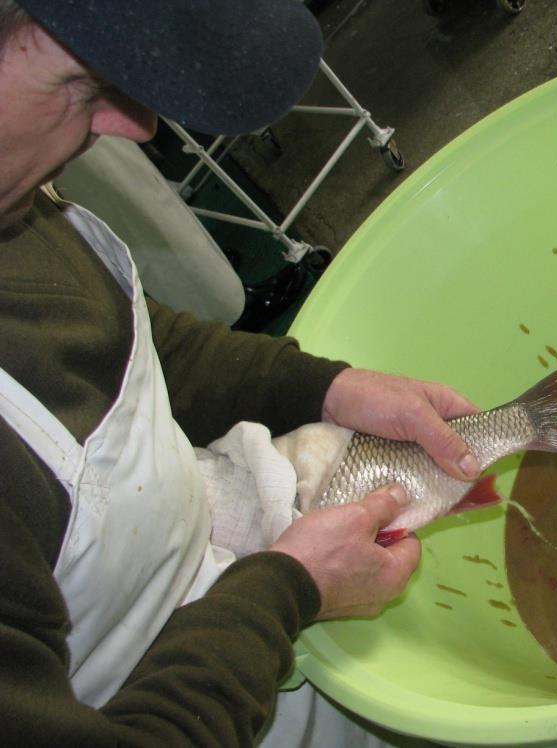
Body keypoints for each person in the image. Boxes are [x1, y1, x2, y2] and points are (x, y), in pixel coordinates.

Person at [0, 0, 482, 744]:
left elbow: (134, 344)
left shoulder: (19, 209)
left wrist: (327, 387)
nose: (134, 128)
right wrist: (284, 591)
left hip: (238, 606)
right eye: (83, 86)